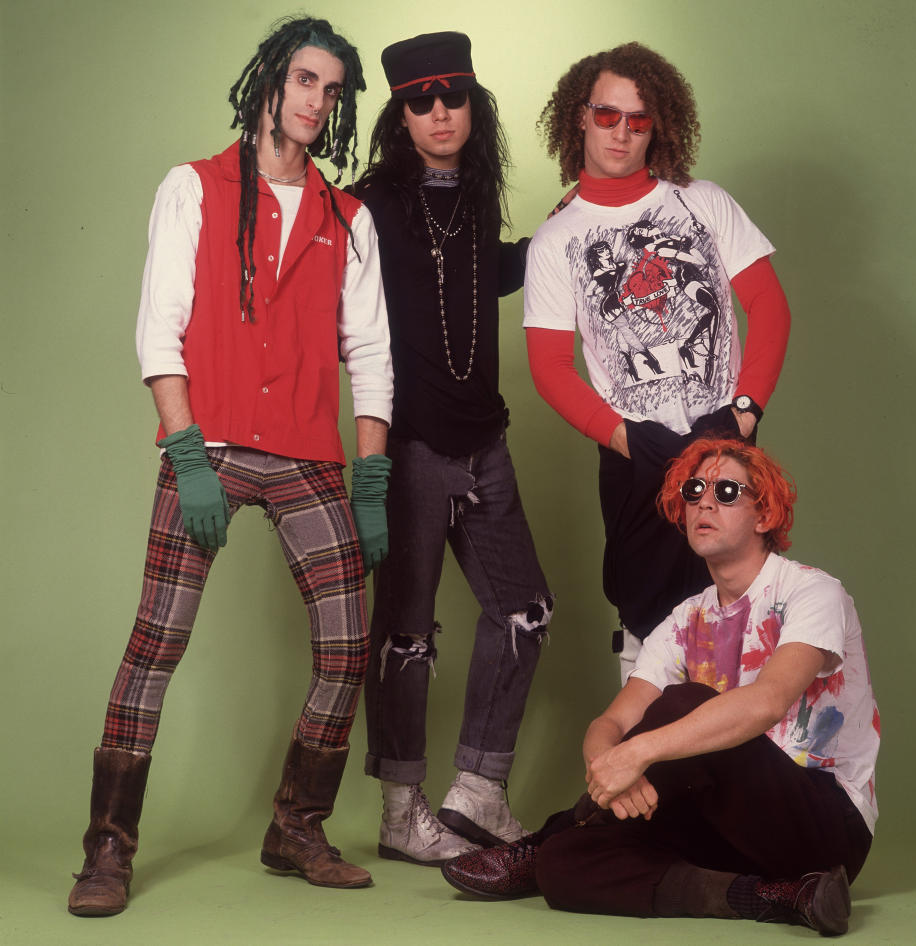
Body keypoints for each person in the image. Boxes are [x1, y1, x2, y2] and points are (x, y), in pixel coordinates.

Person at [67, 17, 394, 916]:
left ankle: (296, 828)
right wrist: (186, 454)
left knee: (345, 644)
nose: (314, 100)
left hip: (306, 454)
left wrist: (369, 481)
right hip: (206, 443)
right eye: (302, 79)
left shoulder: (348, 218)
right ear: (267, 83)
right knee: (156, 643)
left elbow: (370, 353)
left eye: (331, 89)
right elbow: (158, 327)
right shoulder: (194, 188)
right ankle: (106, 847)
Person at [441, 437, 880, 936]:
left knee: (685, 704)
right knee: (564, 865)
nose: (704, 502)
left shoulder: (811, 591)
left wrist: (639, 753)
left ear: (764, 516)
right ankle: (773, 897)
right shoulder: (684, 618)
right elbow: (611, 723)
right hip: (732, 830)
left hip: (825, 827)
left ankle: (547, 834)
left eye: (727, 490)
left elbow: (766, 702)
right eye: (694, 491)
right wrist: (615, 764)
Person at [523, 42, 792, 676]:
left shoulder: (703, 201)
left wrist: (743, 416)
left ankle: (740, 768)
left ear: (658, 125)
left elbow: (770, 309)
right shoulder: (556, 240)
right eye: (608, 115)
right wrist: (625, 440)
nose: (622, 132)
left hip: (725, 441)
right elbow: (550, 367)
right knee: (646, 625)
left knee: (744, 612)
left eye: (638, 119)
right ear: (580, 118)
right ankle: (645, 766)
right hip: (636, 457)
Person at [351, 31, 553, 867]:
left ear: (475, 104)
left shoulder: (474, 193)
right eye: (420, 100)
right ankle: (402, 810)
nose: (440, 113)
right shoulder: (365, 204)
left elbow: (494, 270)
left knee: (524, 614)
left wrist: (575, 230)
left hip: (487, 440)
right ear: (400, 114)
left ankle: (477, 790)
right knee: (406, 633)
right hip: (412, 448)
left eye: (453, 96)